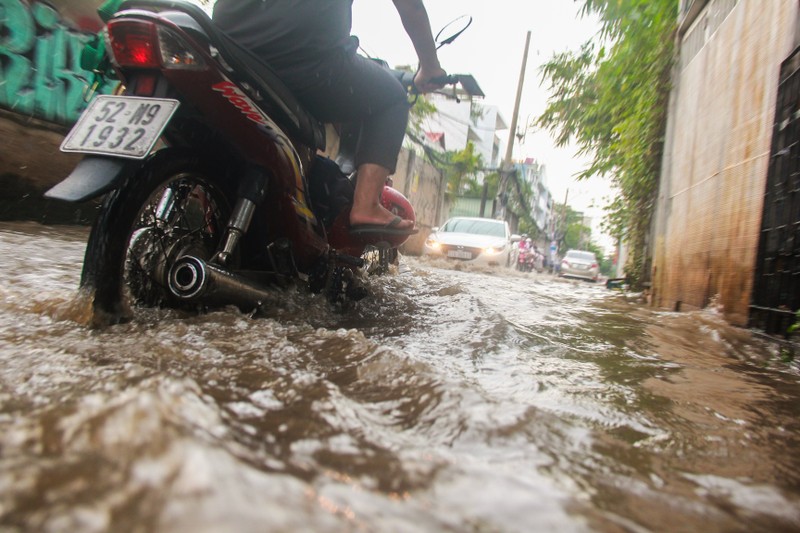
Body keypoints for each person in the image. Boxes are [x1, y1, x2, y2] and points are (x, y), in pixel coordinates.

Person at [212, 0, 447, 235]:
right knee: (394, 98)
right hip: (304, 60)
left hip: (223, 46)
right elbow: (411, 7)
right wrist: (430, 68)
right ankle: (366, 206)